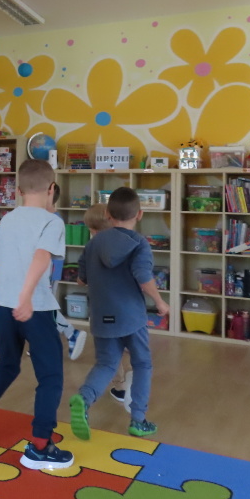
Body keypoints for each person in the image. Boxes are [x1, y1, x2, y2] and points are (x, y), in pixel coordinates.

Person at [0, 159, 74, 471]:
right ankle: (40, 447)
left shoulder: (7, 219)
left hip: (4, 305)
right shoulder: (52, 221)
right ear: (51, 189)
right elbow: (42, 256)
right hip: (34, 306)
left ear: (18, 190)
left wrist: (14, 281)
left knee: (8, 363)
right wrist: (26, 294)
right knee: (50, 375)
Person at [68, 187, 170, 441]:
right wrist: (159, 302)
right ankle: (138, 420)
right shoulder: (139, 244)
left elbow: (82, 279)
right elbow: (143, 277)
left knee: (106, 363)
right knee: (142, 363)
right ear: (140, 214)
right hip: (131, 316)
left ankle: (84, 398)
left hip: (101, 315)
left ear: (107, 214)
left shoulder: (93, 244)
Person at [83, 203, 133, 412]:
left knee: (109, 355)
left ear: (92, 229)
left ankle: (120, 387)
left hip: (102, 310)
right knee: (128, 347)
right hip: (127, 309)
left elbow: (83, 279)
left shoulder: (92, 248)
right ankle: (131, 380)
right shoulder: (127, 244)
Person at [47, 183, 86, 360]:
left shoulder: (53, 219)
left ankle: (71, 332)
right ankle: (44, 343)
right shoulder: (48, 218)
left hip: (48, 270)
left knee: (44, 307)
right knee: (41, 307)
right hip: (45, 270)